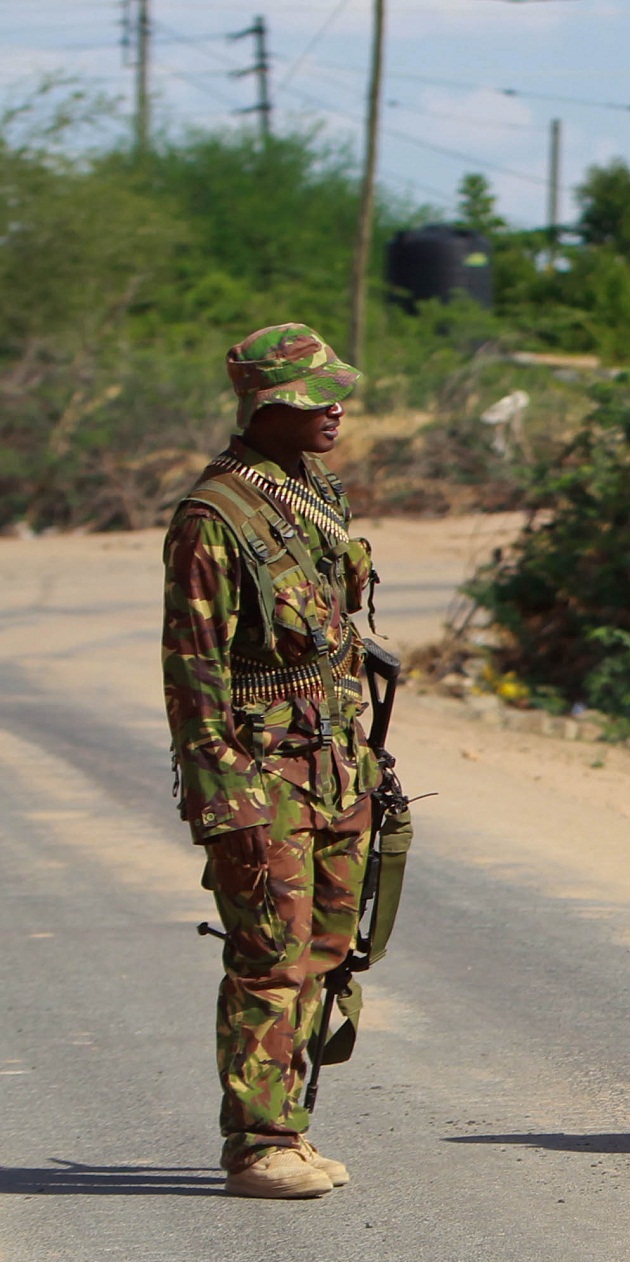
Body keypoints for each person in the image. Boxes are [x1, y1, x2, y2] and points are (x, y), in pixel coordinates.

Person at [164, 323, 379, 1200]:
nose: (335, 407)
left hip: (334, 762)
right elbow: (193, 672)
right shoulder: (214, 519)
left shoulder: (311, 490)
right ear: (265, 404)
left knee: (327, 947)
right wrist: (225, 801)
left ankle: (291, 1125)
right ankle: (258, 1143)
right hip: (260, 773)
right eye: (312, 395)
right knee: (269, 954)